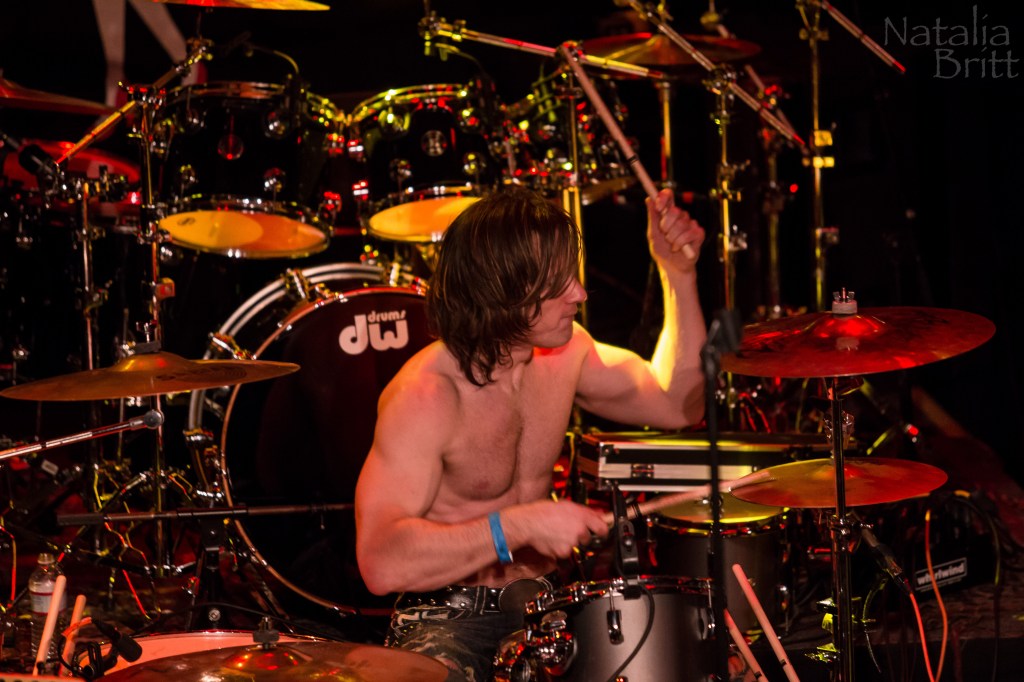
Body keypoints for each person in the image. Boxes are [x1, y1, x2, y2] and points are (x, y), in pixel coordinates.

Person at [354, 186, 706, 681]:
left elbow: (678, 404)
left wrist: (678, 275)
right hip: (448, 616)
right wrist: (516, 527)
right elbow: (380, 563)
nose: (579, 294)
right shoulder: (427, 395)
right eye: (557, 283)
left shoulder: (566, 353)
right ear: (503, 289)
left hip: (546, 607)